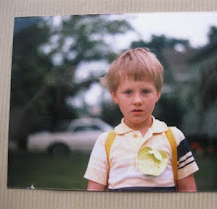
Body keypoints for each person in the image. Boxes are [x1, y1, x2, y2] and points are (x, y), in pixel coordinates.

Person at [84, 48, 199, 192]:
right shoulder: (105, 142)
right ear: (114, 96)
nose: (137, 100)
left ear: (157, 93)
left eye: (145, 91)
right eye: (128, 92)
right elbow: (93, 196)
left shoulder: (174, 138)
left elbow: (189, 192)